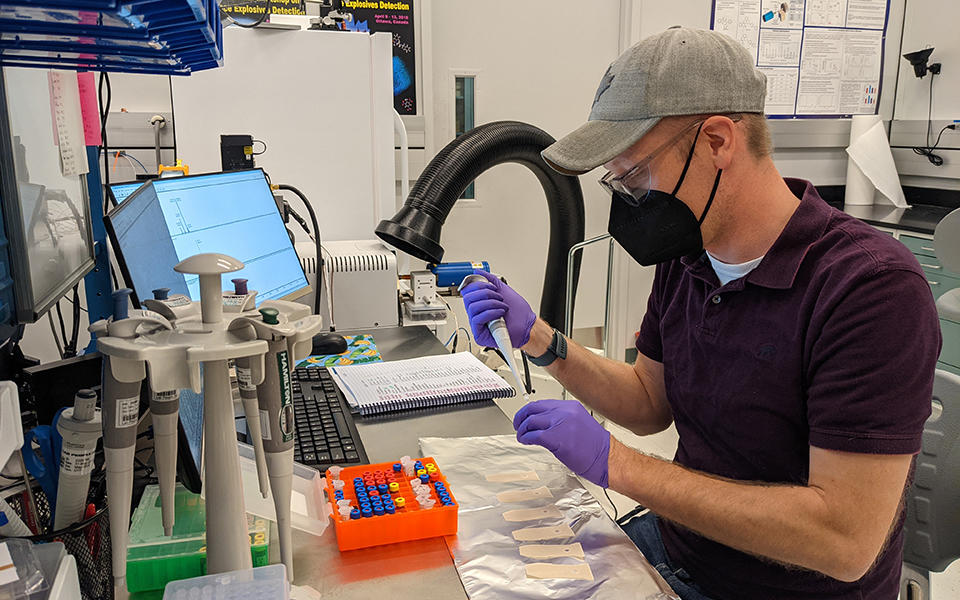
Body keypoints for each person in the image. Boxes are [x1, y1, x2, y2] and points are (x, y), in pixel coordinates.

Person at [461, 27, 941, 600]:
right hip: (679, 548)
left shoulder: (868, 287)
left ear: (716, 141)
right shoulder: (691, 257)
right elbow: (647, 403)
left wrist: (617, 464)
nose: (628, 200)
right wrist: (544, 341)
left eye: (634, 175)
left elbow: (843, 540)